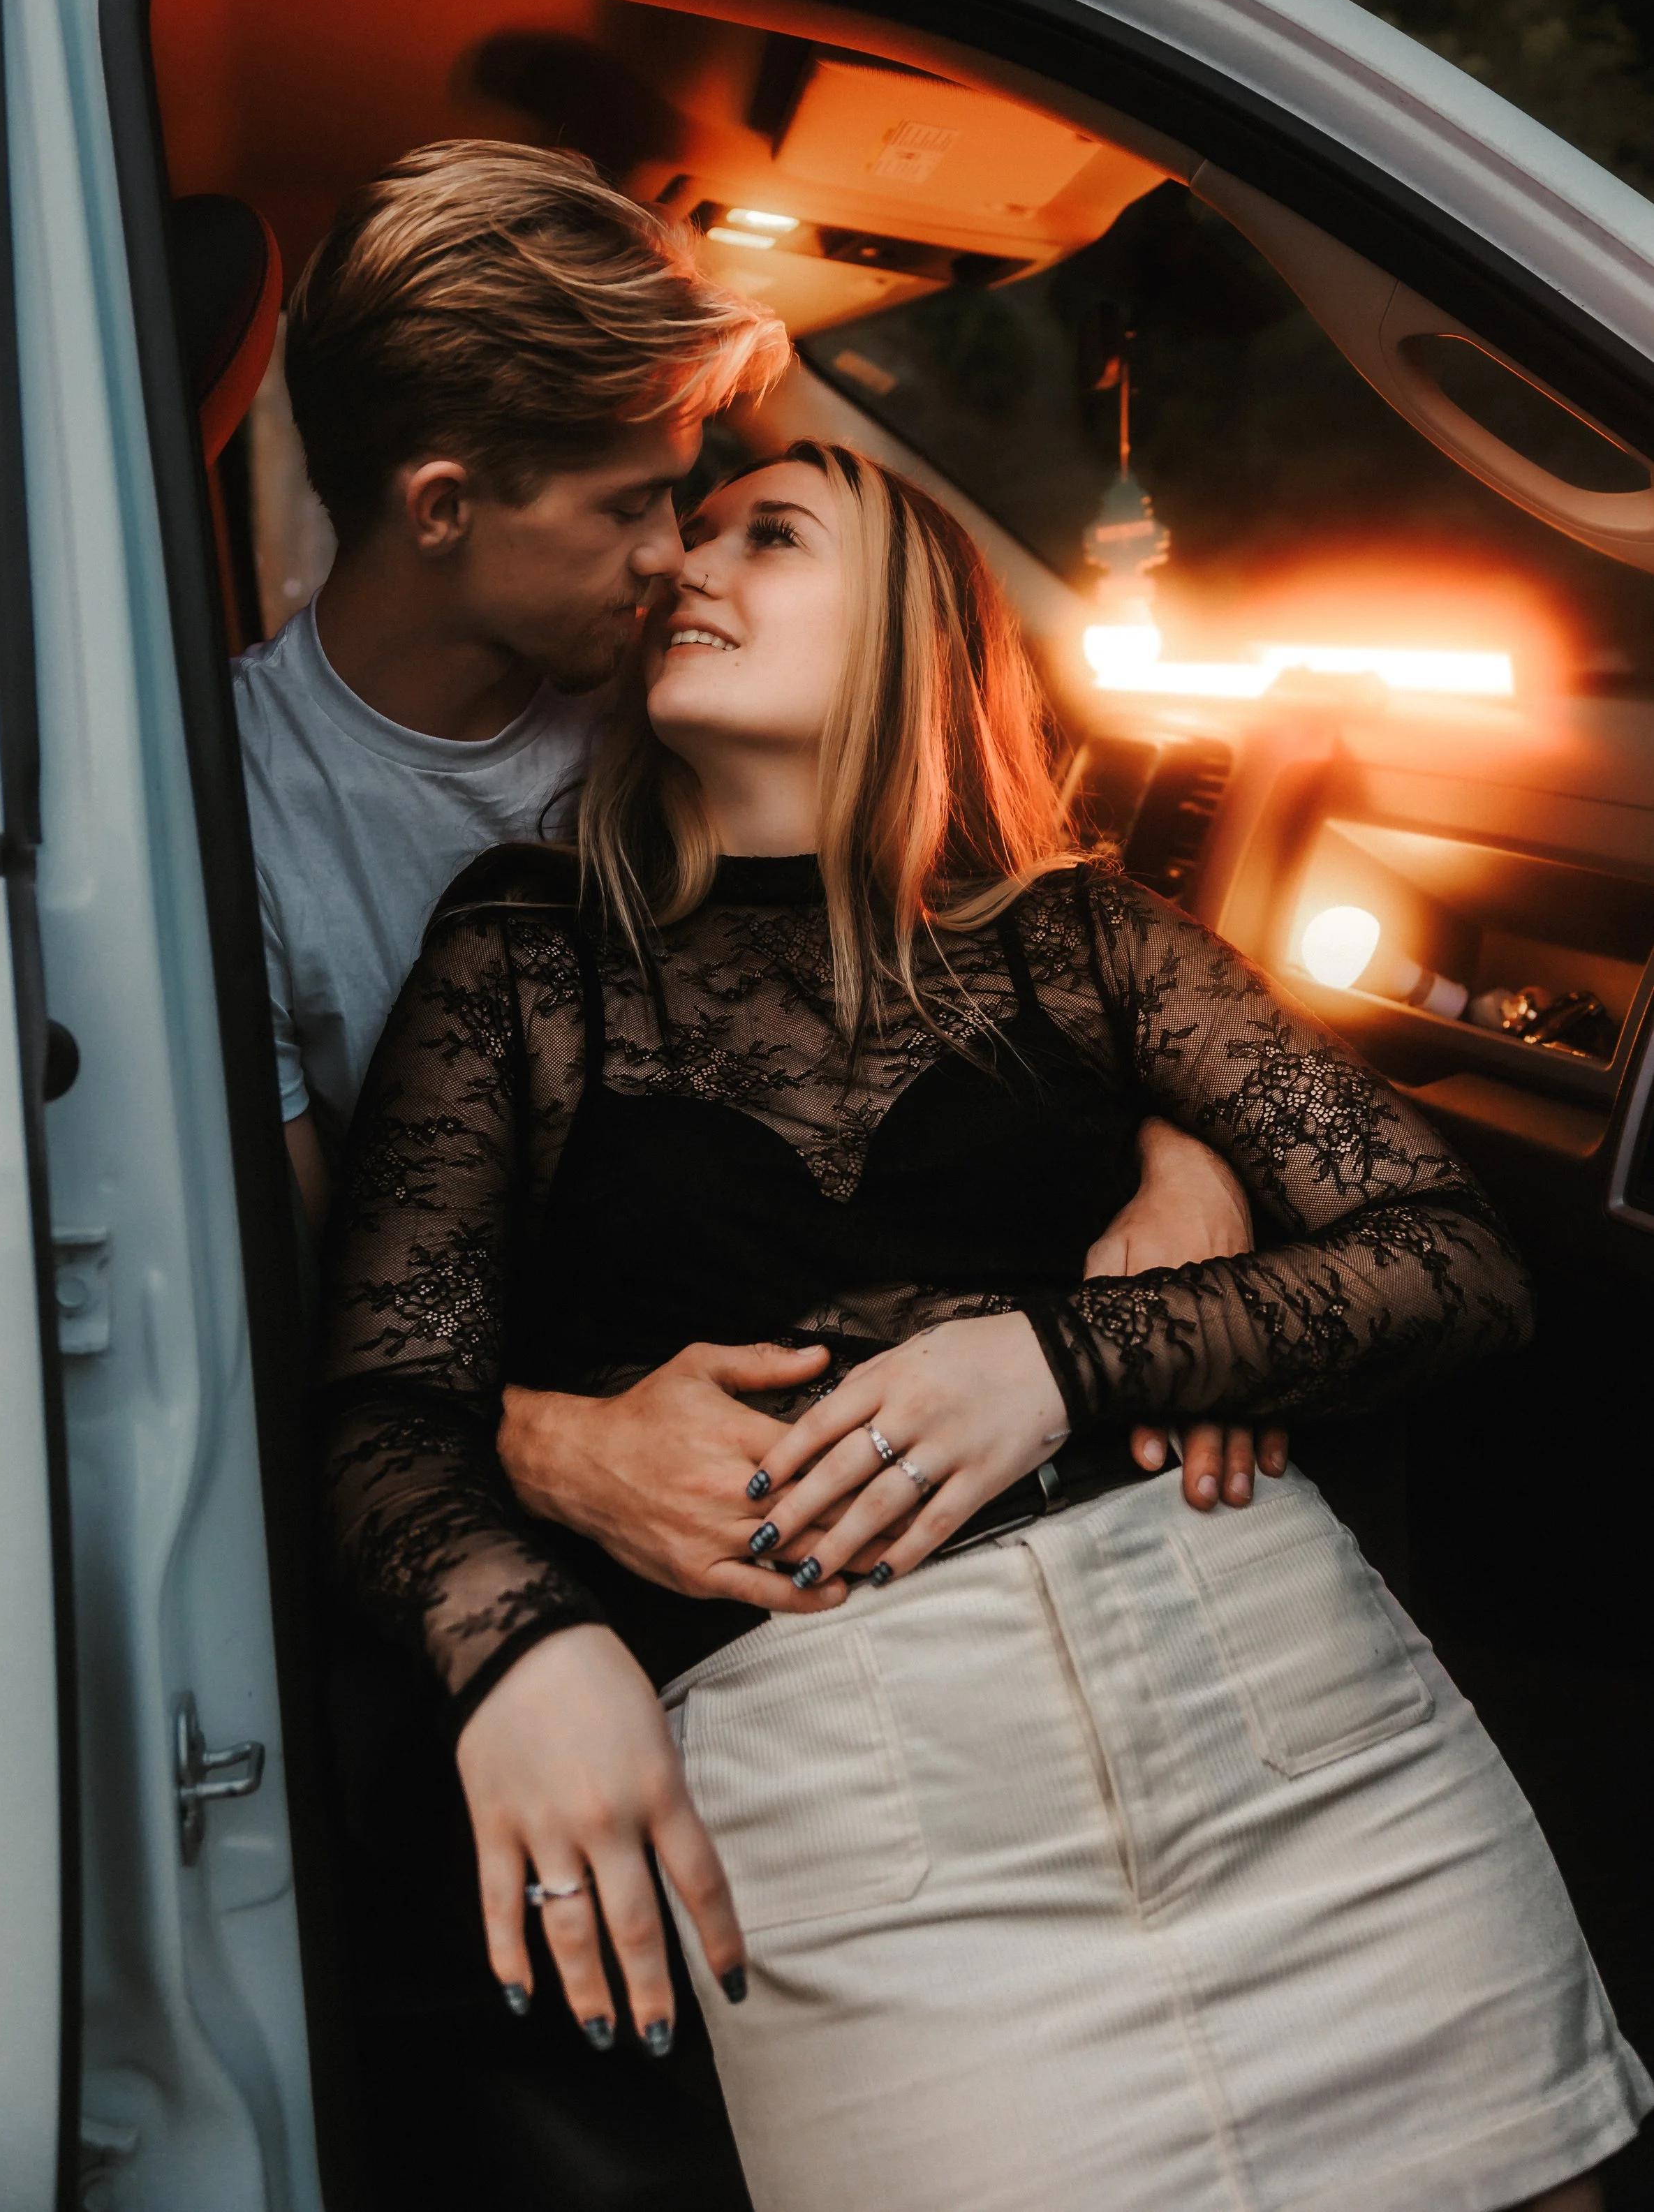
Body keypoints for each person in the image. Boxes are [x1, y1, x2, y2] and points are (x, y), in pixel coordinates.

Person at [322, 439, 1649, 2212]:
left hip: (1283, 1715)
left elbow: (1450, 1261)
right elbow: (378, 1403)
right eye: (685, 532)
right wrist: (524, 1654)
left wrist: (1048, 1361)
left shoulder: (1080, 936)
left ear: (911, 637)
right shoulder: (523, 955)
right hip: (853, 1816)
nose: (688, 564)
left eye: (765, 535)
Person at [236, 137, 1271, 1534]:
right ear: (440, 509)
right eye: (626, 508)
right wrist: (546, 1444)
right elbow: (309, 1325)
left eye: (685, 492)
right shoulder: (224, 818)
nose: (674, 557)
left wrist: (1181, 1156)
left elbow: (1011, 954)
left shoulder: (691, 690)